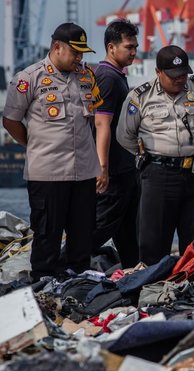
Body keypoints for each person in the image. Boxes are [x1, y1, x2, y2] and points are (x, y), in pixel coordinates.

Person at [2, 23, 102, 281]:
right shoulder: (29, 78)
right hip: (47, 173)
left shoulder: (86, 76)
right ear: (57, 47)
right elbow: (10, 120)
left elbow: (96, 120)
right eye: (75, 52)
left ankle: (78, 285)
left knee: (82, 235)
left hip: (83, 173)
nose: (80, 58)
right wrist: (33, 144)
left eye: (82, 53)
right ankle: (43, 284)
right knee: (47, 235)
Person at [116, 45, 194, 266]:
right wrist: (153, 157)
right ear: (158, 72)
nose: (180, 80)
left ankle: (191, 292)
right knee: (153, 246)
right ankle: (153, 294)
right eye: (173, 76)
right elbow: (124, 136)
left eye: (183, 74)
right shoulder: (140, 96)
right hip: (158, 176)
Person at [92, 19, 140, 268]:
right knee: (101, 226)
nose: (133, 52)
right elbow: (101, 124)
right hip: (114, 172)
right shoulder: (108, 78)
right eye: (129, 47)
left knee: (127, 229)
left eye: (135, 47)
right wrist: (103, 167)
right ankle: (65, 267)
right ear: (111, 47)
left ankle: (134, 271)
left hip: (125, 168)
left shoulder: (116, 76)